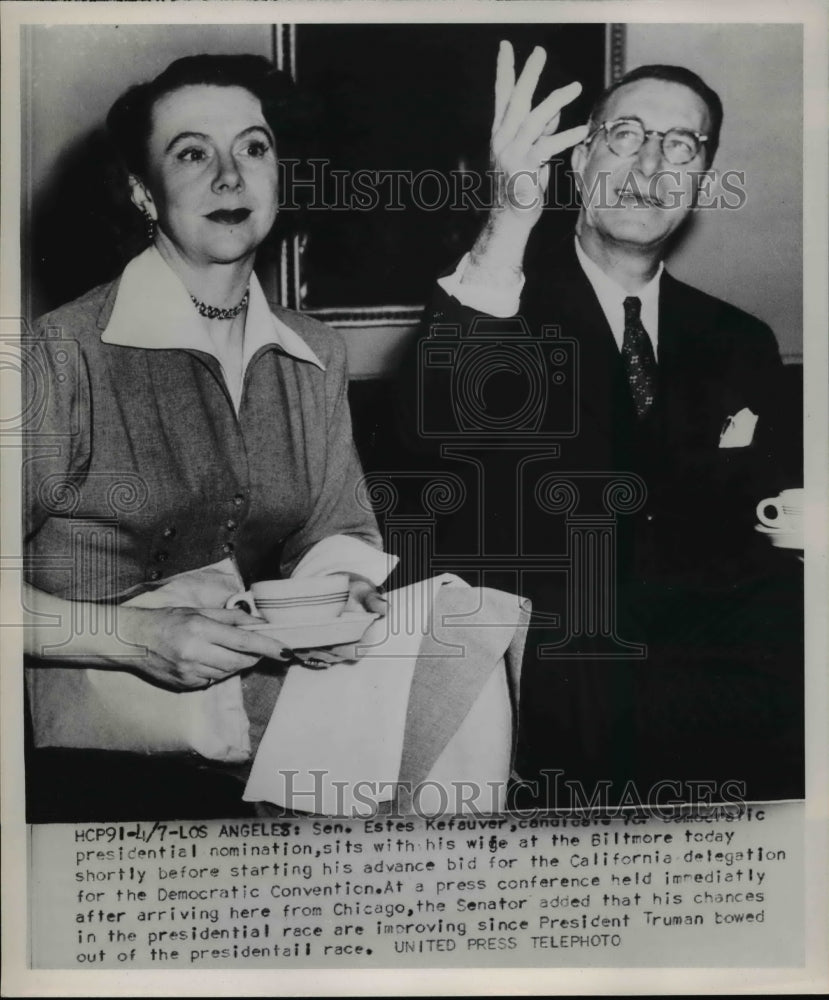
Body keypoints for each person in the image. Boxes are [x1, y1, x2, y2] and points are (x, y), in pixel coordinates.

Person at [395, 43, 803, 804]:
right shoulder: (501, 302)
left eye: (679, 146)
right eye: (625, 137)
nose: (650, 166)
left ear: (701, 181)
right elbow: (431, 432)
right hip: (541, 703)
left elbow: (764, 517)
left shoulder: (739, 341)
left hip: (713, 713)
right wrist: (509, 217)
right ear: (578, 163)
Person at [23, 55, 393, 820]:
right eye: (192, 153)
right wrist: (136, 638)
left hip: (263, 727)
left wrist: (339, 599)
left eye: (253, 149)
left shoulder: (313, 349)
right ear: (140, 190)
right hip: (91, 757)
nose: (230, 177)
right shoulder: (60, 355)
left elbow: (337, 525)